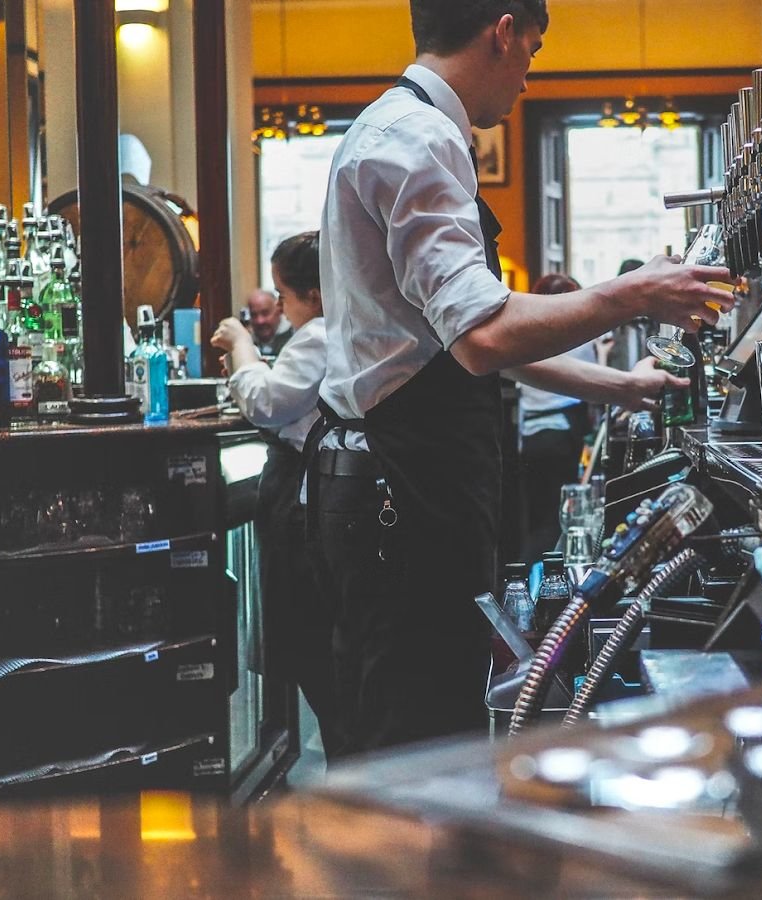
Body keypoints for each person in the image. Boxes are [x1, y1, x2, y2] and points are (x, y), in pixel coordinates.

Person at [310, 0, 733, 756]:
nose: (528, 81)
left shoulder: (407, 128)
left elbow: (461, 332)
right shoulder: (417, 136)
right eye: (533, 53)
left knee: (422, 721)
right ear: (503, 31)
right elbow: (481, 336)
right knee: (418, 740)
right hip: (399, 494)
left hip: (399, 482)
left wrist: (619, 387)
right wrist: (633, 294)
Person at [211, 232, 342, 759]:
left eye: (284, 296)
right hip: (318, 496)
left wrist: (243, 347)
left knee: (311, 649)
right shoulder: (346, 330)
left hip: (305, 504)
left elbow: (267, 402)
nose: (283, 309)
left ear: (313, 293)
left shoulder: (319, 335)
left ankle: (342, 772)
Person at [519, 273, 595, 559]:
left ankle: (532, 579)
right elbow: (588, 385)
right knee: (559, 518)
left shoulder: (524, 333)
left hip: (532, 435)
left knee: (537, 518)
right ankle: (550, 582)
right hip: (562, 432)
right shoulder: (576, 334)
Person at [241, 289, 293, 357]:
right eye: (254, 315)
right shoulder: (246, 341)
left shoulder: (295, 338)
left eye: (265, 313)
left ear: (278, 311)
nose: (260, 321)